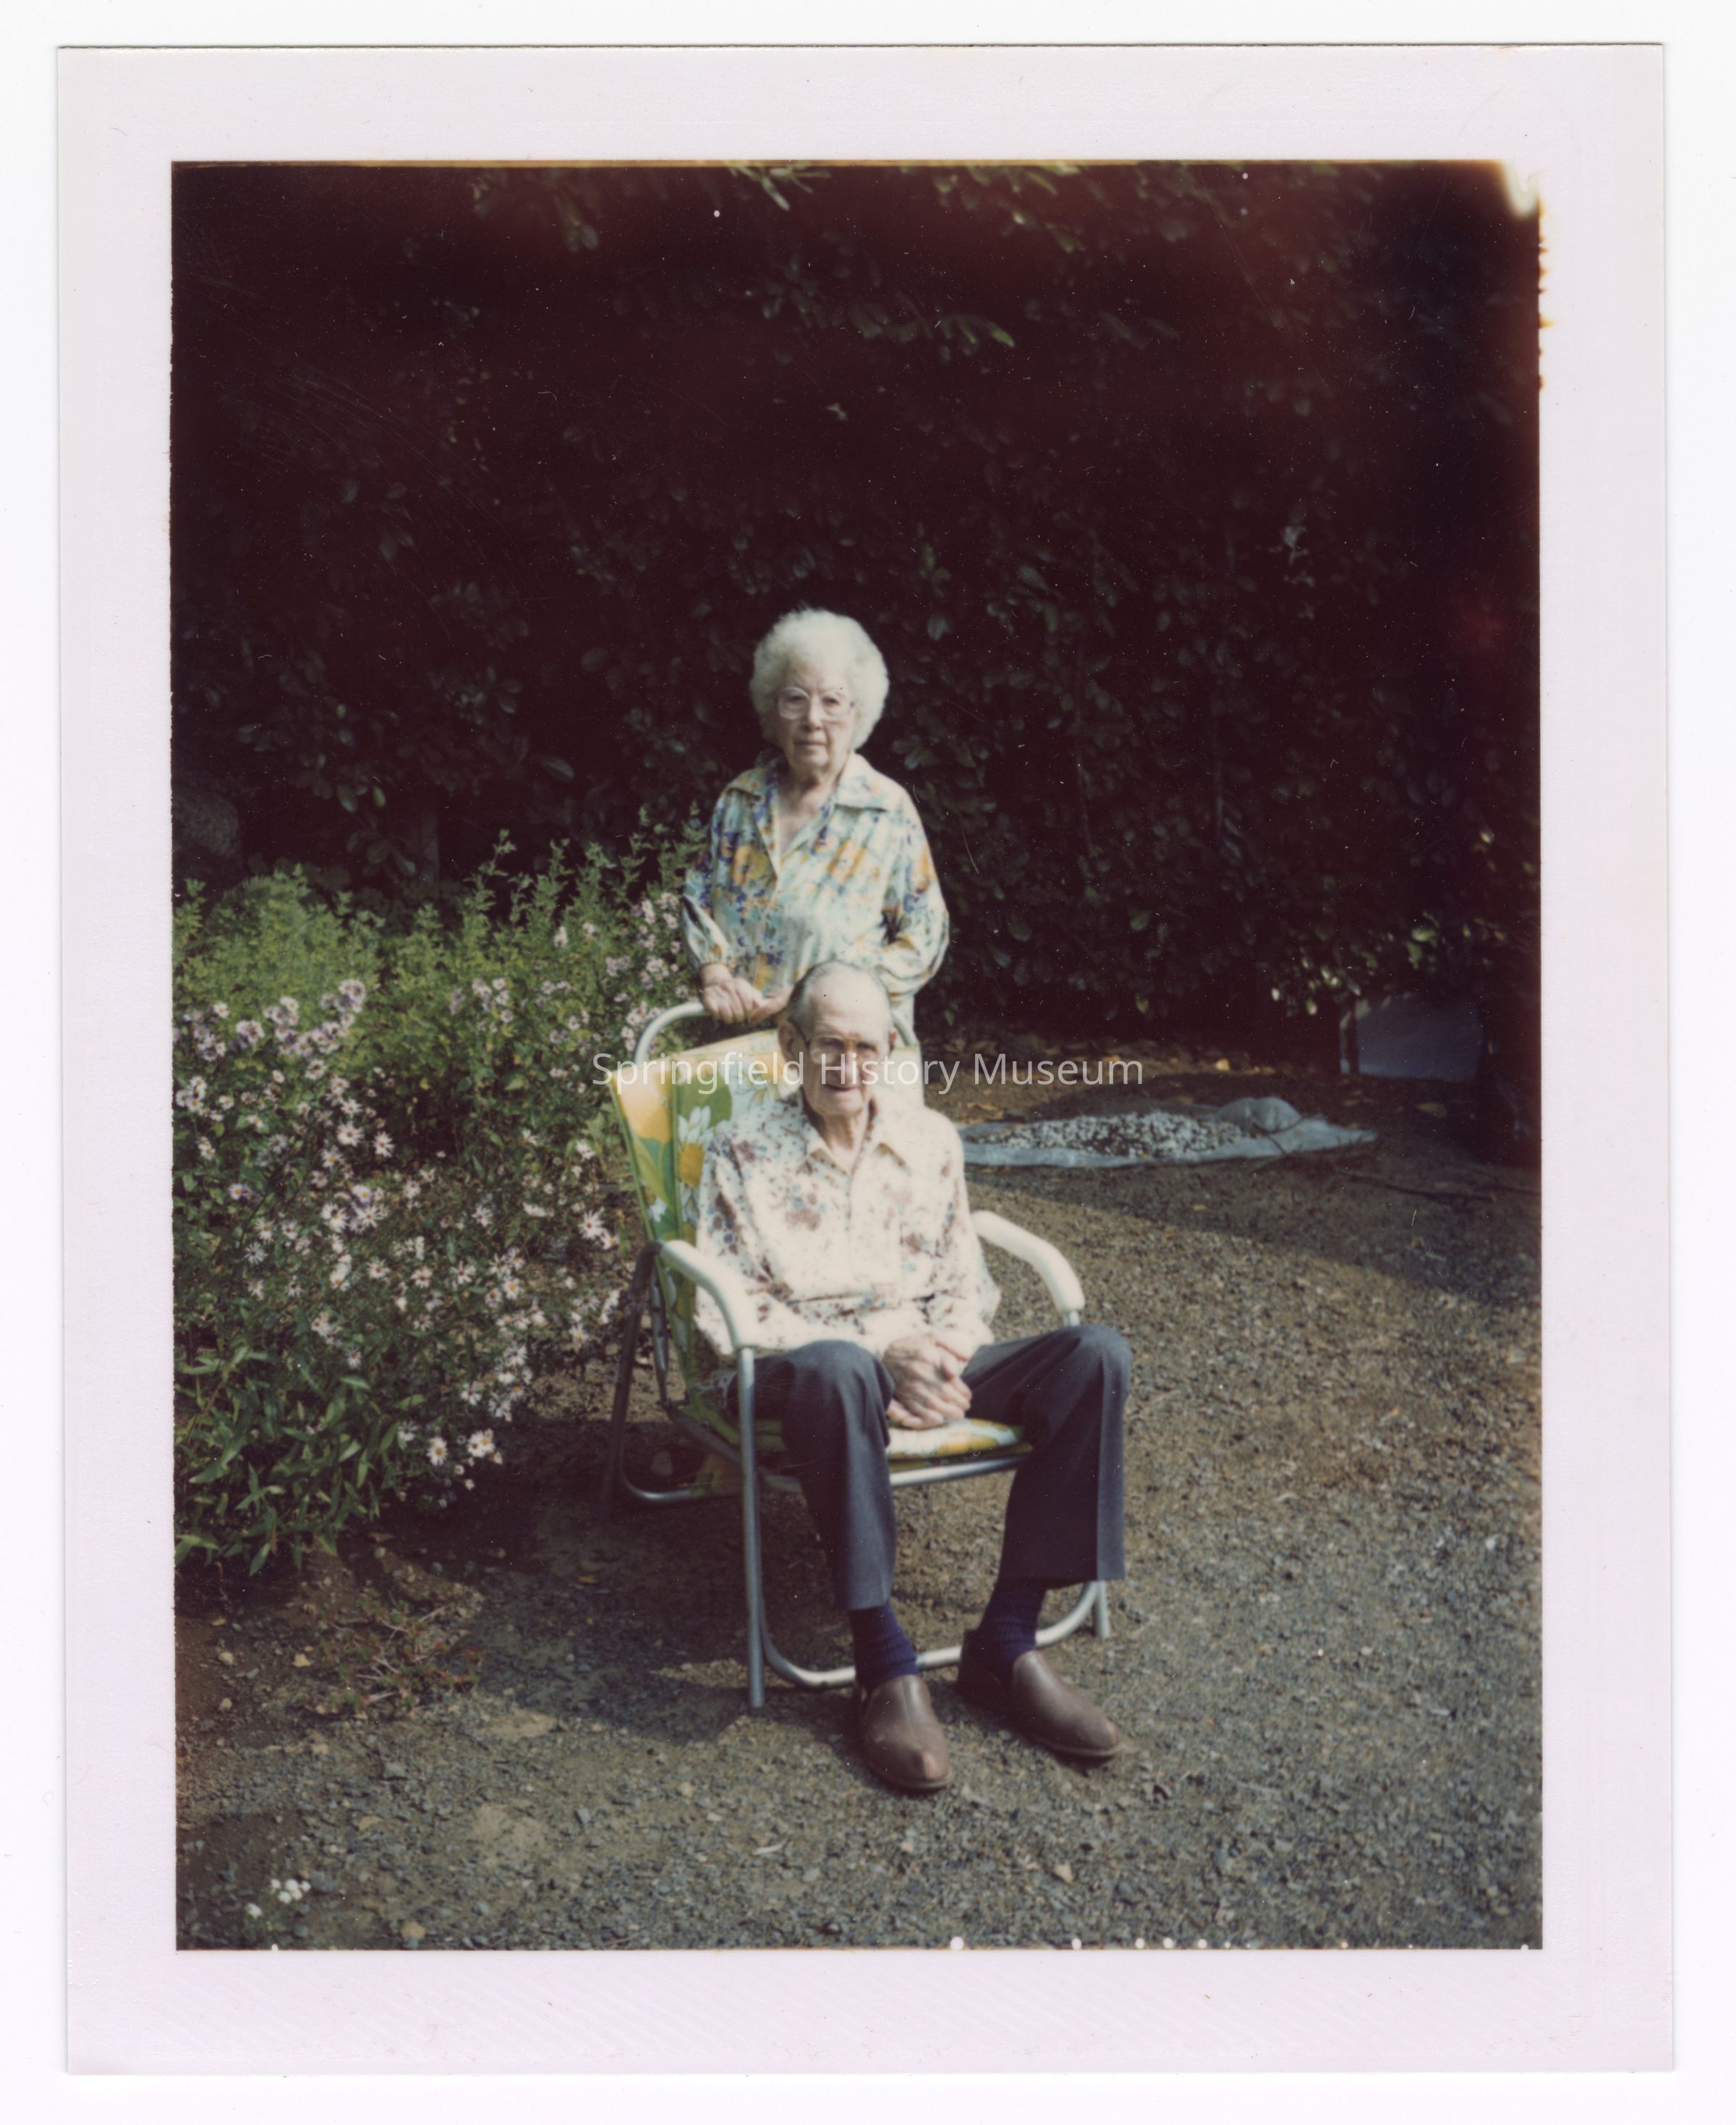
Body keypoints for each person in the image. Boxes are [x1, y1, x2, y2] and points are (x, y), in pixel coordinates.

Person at [692, 960, 1128, 1794]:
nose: (847, 1067)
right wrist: (883, 1359)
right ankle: (881, 1661)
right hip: (797, 1368)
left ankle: (1006, 1640)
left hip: (916, 1360)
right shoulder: (740, 1150)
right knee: (839, 1369)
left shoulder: (930, 1141)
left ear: (890, 1050)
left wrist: (939, 1360)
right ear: (791, 1046)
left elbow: (964, 1284)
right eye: (829, 1045)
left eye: (867, 1048)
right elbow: (732, 1312)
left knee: (1094, 1357)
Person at [681, 608, 949, 1050]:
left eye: (832, 701)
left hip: (844, 1055)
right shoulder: (740, 800)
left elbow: (925, 938)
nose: (812, 719)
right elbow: (698, 899)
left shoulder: (886, 810)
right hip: (736, 1050)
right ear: (773, 709)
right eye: (795, 699)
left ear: (857, 712)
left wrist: (818, 997)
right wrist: (715, 975)